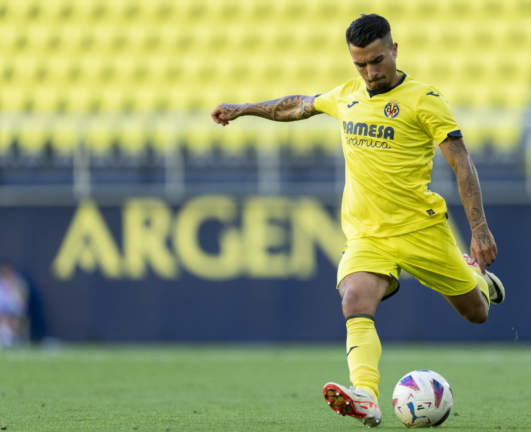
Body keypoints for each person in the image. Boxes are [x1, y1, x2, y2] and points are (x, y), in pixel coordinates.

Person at [211, 14, 505, 427]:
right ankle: (365, 396)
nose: (369, 72)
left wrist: (479, 228)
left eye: (377, 60)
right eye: (360, 64)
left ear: (395, 50)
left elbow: (462, 163)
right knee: (354, 301)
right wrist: (243, 109)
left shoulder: (425, 99)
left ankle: (475, 277)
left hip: (422, 230)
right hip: (367, 234)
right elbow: (297, 105)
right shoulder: (347, 95)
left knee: (477, 314)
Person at [0, 262, 29, 352]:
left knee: (13, 319)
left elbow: (23, 301)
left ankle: (9, 339)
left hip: (13, 313)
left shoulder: (19, 282)